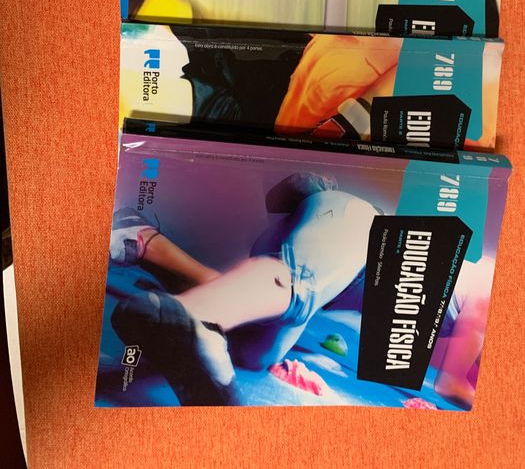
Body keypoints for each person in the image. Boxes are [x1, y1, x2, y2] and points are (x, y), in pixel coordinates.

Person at [109, 172, 489, 409]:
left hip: (317, 272)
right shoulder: (494, 296)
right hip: (353, 233)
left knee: (254, 353)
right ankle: (200, 319)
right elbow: (451, 383)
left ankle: (144, 240)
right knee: (291, 291)